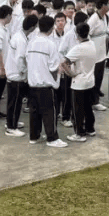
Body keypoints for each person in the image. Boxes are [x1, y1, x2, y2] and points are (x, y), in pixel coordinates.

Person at [26, 15, 67, 147]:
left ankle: (34, 136)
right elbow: (53, 66)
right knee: (50, 112)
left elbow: (27, 59)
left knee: (34, 112)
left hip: (32, 83)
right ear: (51, 28)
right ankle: (52, 138)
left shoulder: (31, 42)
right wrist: (60, 70)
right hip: (46, 84)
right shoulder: (51, 44)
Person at [65, 19, 96, 141]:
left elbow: (63, 62)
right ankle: (90, 129)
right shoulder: (92, 44)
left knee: (77, 110)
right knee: (88, 108)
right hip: (90, 81)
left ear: (77, 34)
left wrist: (71, 74)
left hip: (79, 83)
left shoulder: (78, 49)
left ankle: (79, 133)